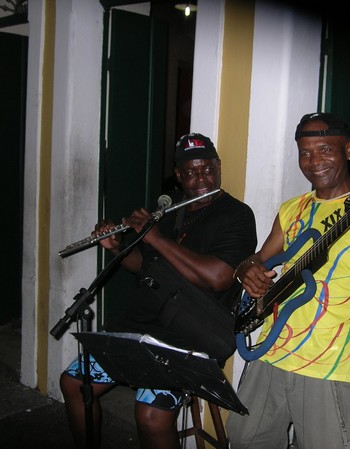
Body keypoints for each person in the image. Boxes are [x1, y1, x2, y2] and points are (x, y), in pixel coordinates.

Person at [226, 113, 350, 449]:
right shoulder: (291, 209)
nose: (314, 161)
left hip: (327, 368)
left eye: (325, 149)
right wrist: (244, 269)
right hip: (269, 353)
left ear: (348, 150)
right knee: (242, 441)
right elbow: (259, 259)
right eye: (305, 152)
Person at [59, 133, 257, 449]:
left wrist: (154, 237)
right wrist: (118, 247)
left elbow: (219, 277)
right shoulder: (171, 210)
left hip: (191, 332)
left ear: (218, 166)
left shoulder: (236, 214)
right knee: (74, 383)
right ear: (178, 175)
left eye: (208, 169)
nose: (202, 179)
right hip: (144, 323)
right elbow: (144, 264)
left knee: (151, 415)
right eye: (191, 172)